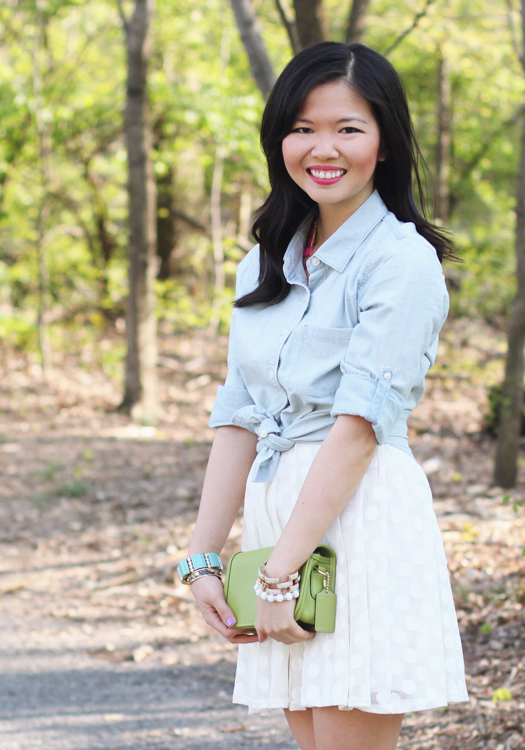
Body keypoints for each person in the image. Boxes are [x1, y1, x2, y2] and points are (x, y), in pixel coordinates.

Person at [179, 41, 468, 750]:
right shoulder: (265, 260)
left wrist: (281, 573)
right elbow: (240, 416)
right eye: (303, 128)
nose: (322, 148)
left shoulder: (400, 260)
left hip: (357, 519)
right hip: (281, 520)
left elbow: (361, 428)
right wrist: (204, 558)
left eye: (348, 128)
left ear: (386, 142)